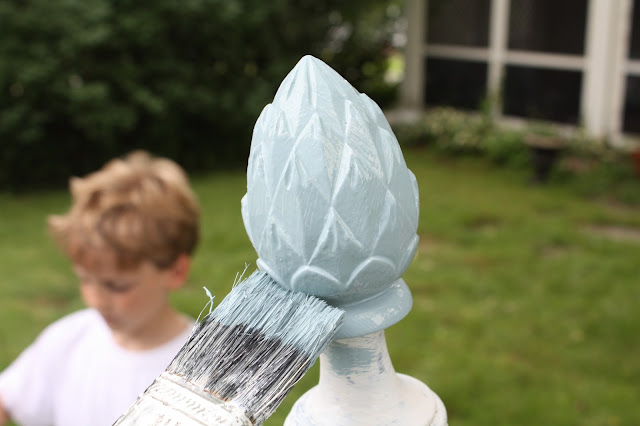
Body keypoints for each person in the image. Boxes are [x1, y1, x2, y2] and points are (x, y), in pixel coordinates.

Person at [0, 150, 201, 426]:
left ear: (176, 272)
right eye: (85, 279)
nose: (95, 300)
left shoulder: (205, 370)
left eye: (117, 286)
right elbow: (7, 397)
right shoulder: (68, 341)